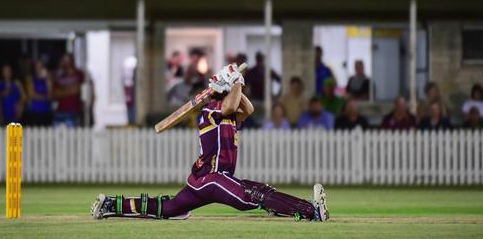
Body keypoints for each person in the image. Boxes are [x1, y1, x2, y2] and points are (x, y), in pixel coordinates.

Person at [90, 64, 329, 222]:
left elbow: (248, 108)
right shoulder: (212, 110)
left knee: (171, 209)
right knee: (255, 195)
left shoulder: (227, 114)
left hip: (204, 180)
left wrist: (235, 80)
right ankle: (312, 211)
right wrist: (236, 82)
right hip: (212, 178)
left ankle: (110, 205)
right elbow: (230, 106)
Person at [53, 53, 85, 127]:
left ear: (72, 62)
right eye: (63, 61)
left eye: (67, 61)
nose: (65, 64)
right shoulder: (59, 76)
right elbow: (54, 93)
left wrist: (63, 91)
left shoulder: (79, 75)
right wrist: (70, 90)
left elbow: (78, 89)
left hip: (74, 112)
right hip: (60, 111)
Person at [25, 60, 53, 126]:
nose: (39, 68)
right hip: (34, 110)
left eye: (41, 66)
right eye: (37, 66)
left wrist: (48, 79)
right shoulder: (31, 79)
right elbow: (31, 95)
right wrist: (44, 97)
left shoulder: (47, 79)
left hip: (46, 110)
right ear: (34, 68)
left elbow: (50, 95)